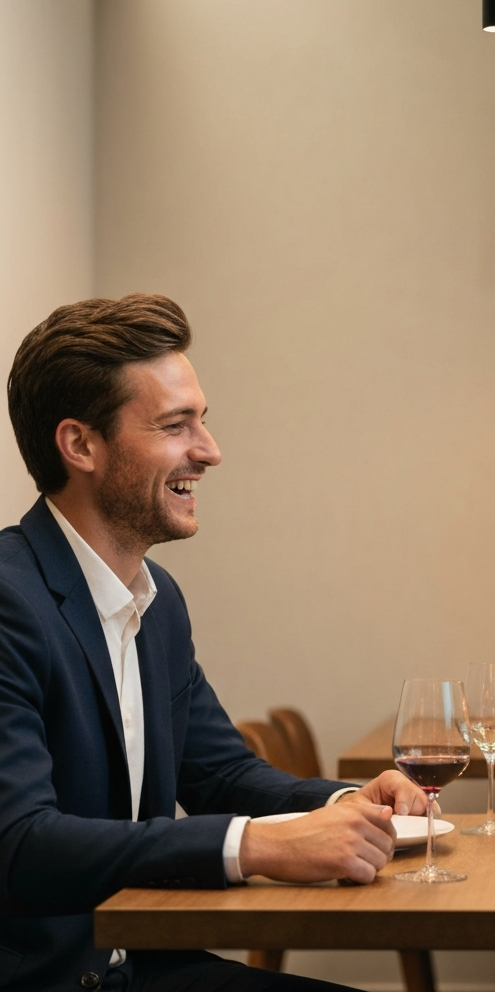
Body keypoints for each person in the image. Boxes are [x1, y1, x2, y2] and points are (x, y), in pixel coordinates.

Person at [0, 294, 428, 992]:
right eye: (176, 425)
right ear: (80, 445)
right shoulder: (8, 600)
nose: (210, 450)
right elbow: (19, 844)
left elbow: (223, 776)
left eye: (203, 421)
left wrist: (353, 802)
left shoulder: (157, 601)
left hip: (142, 968)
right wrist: (256, 845)